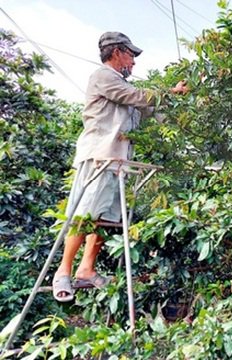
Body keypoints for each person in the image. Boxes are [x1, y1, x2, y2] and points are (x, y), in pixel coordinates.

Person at [52, 31, 188, 302]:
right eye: (131, 55)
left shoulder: (128, 90)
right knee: (84, 215)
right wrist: (168, 92)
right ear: (116, 52)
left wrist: (181, 106)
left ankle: (86, 269)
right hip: (99, 157)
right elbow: (136, 97)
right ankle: (62, 271)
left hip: (118, 162)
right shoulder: (103, 77)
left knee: (105, 218)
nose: (134, 62)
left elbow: (151, 110)